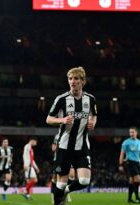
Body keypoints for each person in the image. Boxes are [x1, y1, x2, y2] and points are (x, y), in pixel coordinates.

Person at [46, 66, 97, 205]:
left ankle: (67, 191)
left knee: (84, 181)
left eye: (76, 79)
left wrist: (92, 122)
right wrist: (62, 120)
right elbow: (48, 119)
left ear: (83, 81)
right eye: (70, 79)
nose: (72, 81)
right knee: (60, 184)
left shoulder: (91, 99)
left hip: (82, 146)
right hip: (64, 146)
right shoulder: (61, 99)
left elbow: (94, 115)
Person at [119, 127, 140, 204]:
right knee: (138, 179)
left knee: (132, 181)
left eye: (133, 132)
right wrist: (120, 164)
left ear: (136, 133)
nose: (131, 134)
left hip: (137, 163)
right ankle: (137, 198)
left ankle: (129, 199)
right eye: (130, 132)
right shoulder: (126, 142)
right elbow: (122, 153)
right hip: (130, 162)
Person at [51, 140, 75, 204]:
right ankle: (53, 196)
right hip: (59, 159)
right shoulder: (57, 136)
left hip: (70, 158)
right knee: (55, 179)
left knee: (72, 176)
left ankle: (66, 193)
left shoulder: (74, 134)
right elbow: (53, 149)